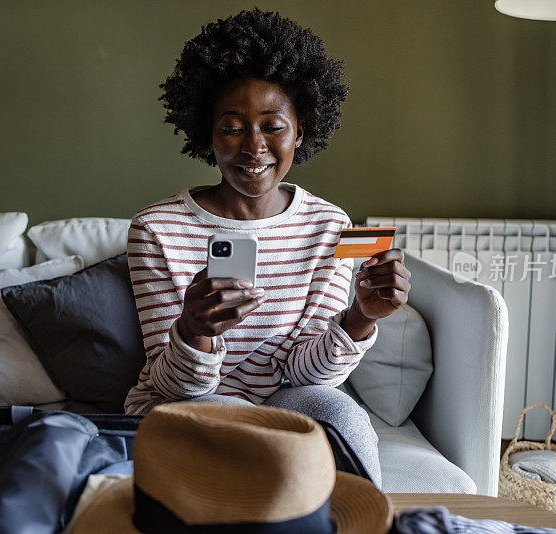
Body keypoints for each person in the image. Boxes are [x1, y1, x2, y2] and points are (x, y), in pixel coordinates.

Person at [124, 8, 411, 487]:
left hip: (285, 397)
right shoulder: (157, 229)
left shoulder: (330, 227)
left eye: (272, 126)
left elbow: (308, 375)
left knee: (344, 415)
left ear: (300, 130)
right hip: (186, 403)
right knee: (235, 423)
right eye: (232, 127)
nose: (253, 147)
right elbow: (177, 386)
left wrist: (361, 318)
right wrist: (194, 330)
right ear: (207, 135)